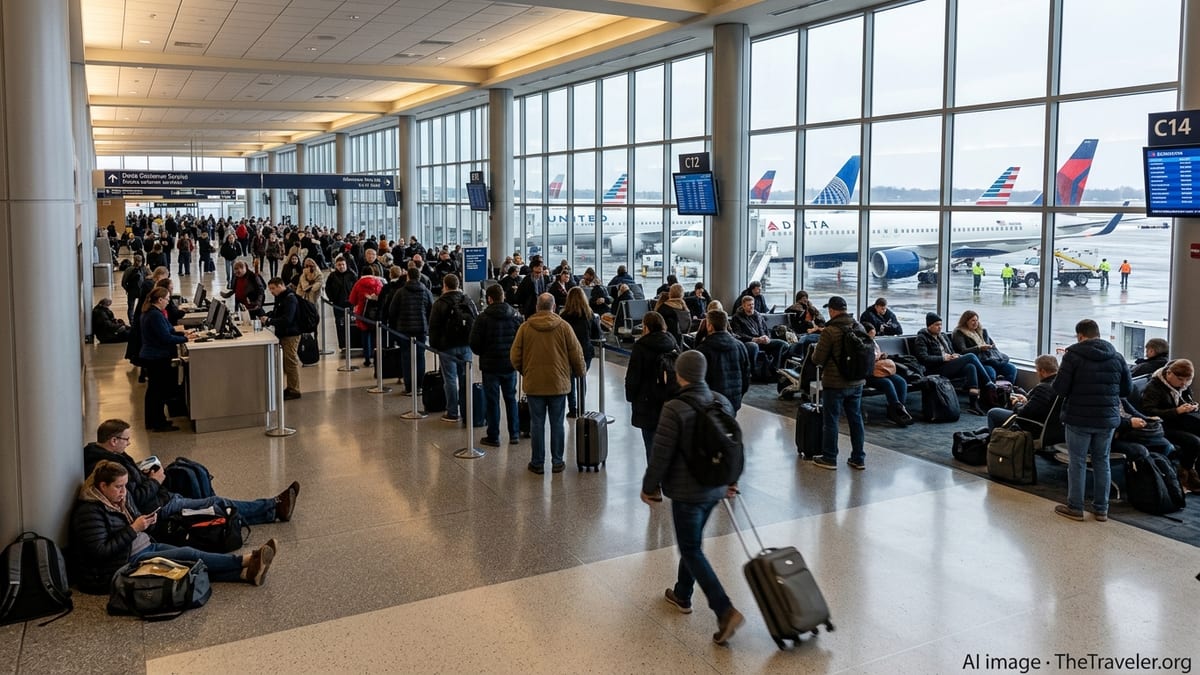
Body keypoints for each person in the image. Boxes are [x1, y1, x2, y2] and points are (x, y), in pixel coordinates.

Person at [640, 351, 744, 646]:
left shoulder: (674, 407)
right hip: (715, 487)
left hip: (687, 492)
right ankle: (682, 594)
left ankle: (724, 610)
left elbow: (660, 455)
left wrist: (649, 487)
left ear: (680, 374)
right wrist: (731, 480)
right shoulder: (720, 400)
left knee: (691, 548)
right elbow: (733, 444)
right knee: (692, 543)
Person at [69, 461, 278, 595]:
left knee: (185, 564)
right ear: (102, 486)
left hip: (141, 546)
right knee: (188, 555)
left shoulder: (119, 499)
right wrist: (134, 528)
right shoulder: (89, 512)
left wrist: (144, 524)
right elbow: (101, 551)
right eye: (118, 487)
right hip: (119, 564)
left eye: (125, 486)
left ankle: (245, 574)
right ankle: (247, 560)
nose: (124, 491)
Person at [83, 419, 299, 530]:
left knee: (213, 506)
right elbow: (134, 499)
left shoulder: (107, 458)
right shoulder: (108, 466)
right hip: (157, 507)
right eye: (125, 440)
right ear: (113, 441)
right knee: (216, 503)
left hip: (158, 498)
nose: (129, 443)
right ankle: (273, 505)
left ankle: (271, 511)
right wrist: (155, 481)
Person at [1052, 319, 1131, 522]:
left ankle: (1076, 507)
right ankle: (1101, 509)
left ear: (1080, 336)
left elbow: (1060, 388)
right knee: (1102, 461)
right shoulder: (1117, 356)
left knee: (1077, 462)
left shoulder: (1073, 356)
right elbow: (1126, 390)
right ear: (1098, 334)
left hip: (1078, 417)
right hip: (1107, 419)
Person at [510, 294, 586, 474]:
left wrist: (526, 371)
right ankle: (557, 462)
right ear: (554, 307)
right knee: (557, 423)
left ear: (537, 307)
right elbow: (576, 353)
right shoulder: (564, 327)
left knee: (537, 423)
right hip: (558, 384)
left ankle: (537, 462)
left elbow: (514, 356)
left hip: (534, 384)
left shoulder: (525, 328)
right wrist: (579, 372)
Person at [809, 296, 867, 470]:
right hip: (857, 382)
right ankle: (858, 458)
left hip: (835, 383)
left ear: (833, 310)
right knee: (856, 419)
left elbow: (817, 359)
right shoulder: (859, 327)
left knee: (831, 421)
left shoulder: (830, 331)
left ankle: (829, 457)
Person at [470, 283, 523, 446]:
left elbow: (474, 343)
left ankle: (494, 435)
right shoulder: (515, 316)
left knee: (492, 401)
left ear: (489, 299)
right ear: (504, 297)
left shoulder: (482, 318)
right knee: (510, 398)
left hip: (490, 366)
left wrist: (483, 353)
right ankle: (514, 433)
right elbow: (521, 340)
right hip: (509, 365)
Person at [912, 312, 995, 415]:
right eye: (937, 325)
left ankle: (973, 404)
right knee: (971, 356)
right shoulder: (922, 338)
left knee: (971, 367)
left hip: (947, 364)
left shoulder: (942, 336)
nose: (940, 327)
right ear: (929, 326)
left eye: (940, 325)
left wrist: (954, 355)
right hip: (935, 369)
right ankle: (988, 383)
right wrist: (943, 358)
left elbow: (950, 351)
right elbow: (923, 358)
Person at [1138, 358, 1200, 492]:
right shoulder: (1153, 387)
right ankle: (1186, 471)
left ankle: (1192, 469)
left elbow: (1187, 399)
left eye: (1186, 380)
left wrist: (1193, 406)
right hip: (1163, 426)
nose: (1184, 384)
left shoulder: (1181, 386)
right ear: (1169, 373)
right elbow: (1148, 411)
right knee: (1194, 442)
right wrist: (1176, 410)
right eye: (1180, 380)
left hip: (1178, 421)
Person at [625, 311, 680, 460]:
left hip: (647, 401)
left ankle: (655, 479)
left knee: (650, 442)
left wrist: (630, 396)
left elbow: (633, 376)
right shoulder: (672, 342)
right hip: (669, 399)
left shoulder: (641, 346)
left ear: (647, 327)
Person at [139, 287, 191, 432]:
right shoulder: (155, 315)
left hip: (152, 356)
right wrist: (186, 338)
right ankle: (158, 422)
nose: (168, 302)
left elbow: (168, 329)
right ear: (160, 299)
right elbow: (165, 337)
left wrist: (181, 332)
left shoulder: (152, 313)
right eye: (167, 299)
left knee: (154, 391)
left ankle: (154, 420)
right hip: (157, 357)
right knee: (159, 391)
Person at [429, 274, 477, 424]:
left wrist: (434, 346)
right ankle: (466, 410)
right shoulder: (467, 300)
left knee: (450, 379)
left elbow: (434, 327)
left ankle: (452, 412)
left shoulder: (440, 303)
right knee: (465, 378)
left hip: (447, 346)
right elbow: (475, 319)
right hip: (466, 344)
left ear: (445, 285)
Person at [388, 264, 434, 396]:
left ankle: (409, 387)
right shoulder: (426, 292)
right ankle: (419, 386)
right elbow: (431, 310)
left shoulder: (400, 292)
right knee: (420, 357)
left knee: (406, 358)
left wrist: (394, 327)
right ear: (419, 277)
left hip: (404, 330)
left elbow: (392, 311)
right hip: (421, 330)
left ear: (407, 277)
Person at [695, 310, 751, 413]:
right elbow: (746, 375)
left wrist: (699, 337)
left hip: (711, 402)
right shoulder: (740, 346)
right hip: (733, 401)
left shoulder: (704, 349)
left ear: (710, 326)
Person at [559, 287, 601, 418]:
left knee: (570, 380)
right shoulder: (589, 314)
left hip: (568, 352)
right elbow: (597, 334)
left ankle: (573, 408)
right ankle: (582, 407)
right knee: (582, 377)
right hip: (585, 352)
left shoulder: (564, 316)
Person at [986, 355, 1058, 431]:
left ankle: (996, 440)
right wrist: (1026, 400)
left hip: (1034, 424)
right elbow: (1040, 404)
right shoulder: (1060, 383)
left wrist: (1016, 402)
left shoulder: (1043, 388)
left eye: (1037, 370)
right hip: (1052, 424)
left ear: (1043, 371)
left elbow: (1024, 413)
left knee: (993, 413)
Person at [730, 295, 796, 372]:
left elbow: (766, 329)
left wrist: (767, 337)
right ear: (743, 306)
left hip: (762, 340)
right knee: (753, 346)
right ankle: (753, 372)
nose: (752, 307)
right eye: (749, 305)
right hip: (749, 341)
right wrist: (754, 339)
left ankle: (774, 369)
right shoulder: (737, 317)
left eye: (752, 304)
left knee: (783, 344)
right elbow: (738, 334)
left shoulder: (758, 315)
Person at [951, 310, 1019, 383]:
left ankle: (1005, 390)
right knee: (991, 373)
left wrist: (994, 351)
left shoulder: (982, 331)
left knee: (1012, 369)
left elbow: (992, 346)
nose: (976, 323)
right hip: (980, 361)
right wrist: (979, 348)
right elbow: (963, 351)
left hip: (991, 358)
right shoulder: (959, 333)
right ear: (966, 321)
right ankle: (992, 392)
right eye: (973, 320)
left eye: (977, 320)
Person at [264, 278, 303, 400]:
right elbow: (278, 313)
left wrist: (270, 321)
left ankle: (294, 389)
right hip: (284, 334)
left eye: (273, 288)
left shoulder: (290, 299)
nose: (271, 291)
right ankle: (290, 387)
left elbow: (287, 319)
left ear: (281, 285)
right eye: (270, 289)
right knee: (286, 362)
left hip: (291, 334)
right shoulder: (281, 297)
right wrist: (269, 316)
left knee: (290, 361)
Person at [868, 340, 914, 426]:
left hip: (880, 370)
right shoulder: (862, 343)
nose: (872, 337)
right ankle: (896, 410)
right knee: (887, 383)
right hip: (870, 374)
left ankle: (898, 410)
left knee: (901, 382)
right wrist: (875, 357)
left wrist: (882, 355)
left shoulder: (873, 342)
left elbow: (878, 353)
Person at [348, 273, 385, 368]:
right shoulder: (379, 283)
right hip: (375, 314)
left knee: (365, 335)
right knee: (375, 336)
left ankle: (367, 359)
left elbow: (352, 300)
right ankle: (376, 357)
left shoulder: (358, 283)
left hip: (362, 313)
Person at [324, 256, 358, 352]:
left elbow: (356, 288)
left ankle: (352, 344)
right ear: (336, 266)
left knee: (352, 324)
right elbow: (327, 288)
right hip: (338, 304)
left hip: (350, 304)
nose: (341, 266)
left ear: (346, 265)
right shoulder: (332, 276)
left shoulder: (352, 275)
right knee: (340, 324)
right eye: (339, 265)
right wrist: (332, 299)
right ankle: (342, 345)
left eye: (343, 264)